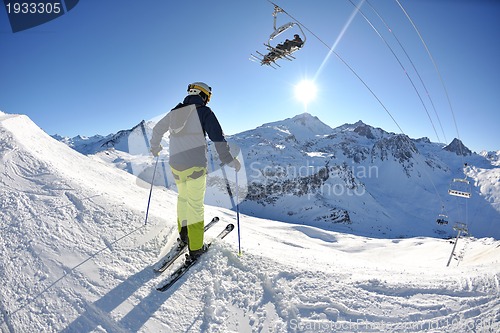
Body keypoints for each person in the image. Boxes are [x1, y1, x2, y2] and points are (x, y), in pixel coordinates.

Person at [149, 82, 241, 261]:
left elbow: (157, 129)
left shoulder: (174, 112)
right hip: (195, 167)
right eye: (208, 97)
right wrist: (228, 159)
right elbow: (218, 138)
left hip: (176, 166)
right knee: (196, 206)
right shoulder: (204, 112)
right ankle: (196, 247)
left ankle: (184, 236)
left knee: (183, 199)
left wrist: (155, 147)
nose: (208, 100)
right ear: (203, 95)